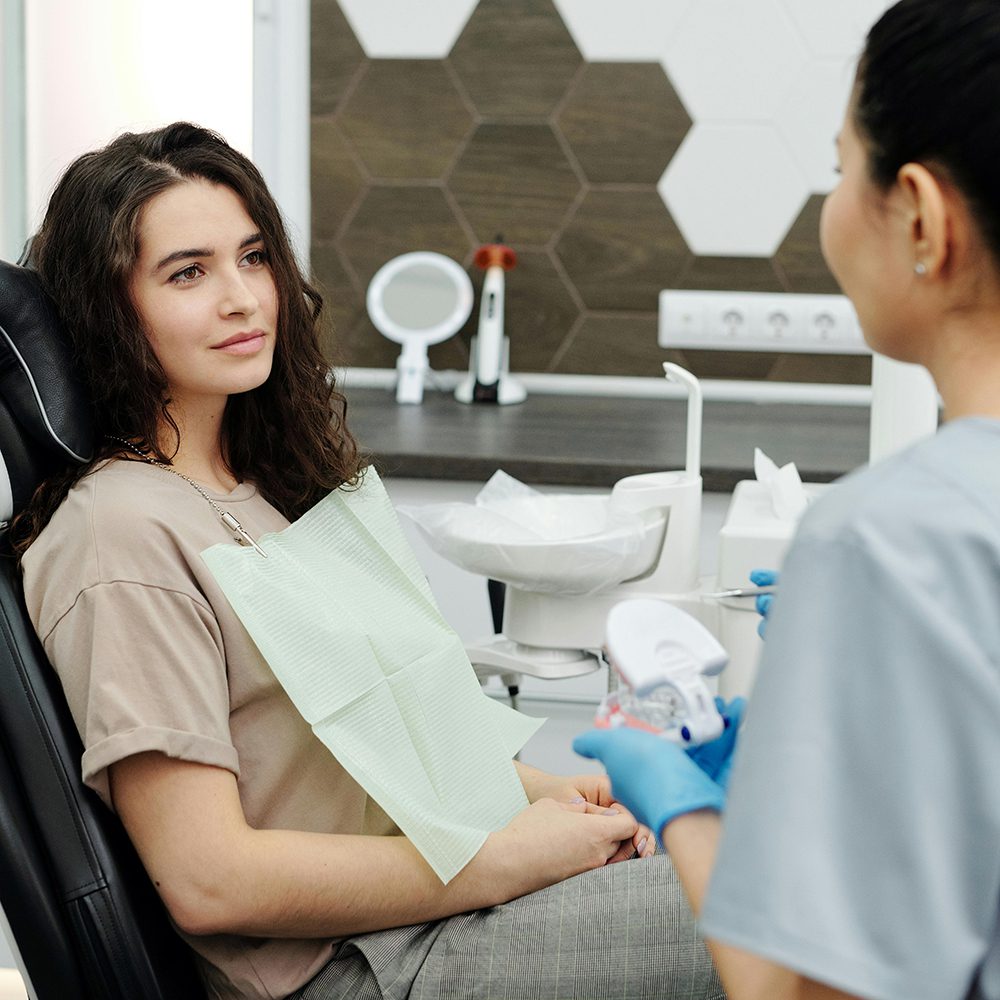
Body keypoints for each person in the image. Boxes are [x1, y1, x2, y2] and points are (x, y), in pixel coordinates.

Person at [11, 123, 723, 1000]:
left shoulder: (268, 491)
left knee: (770, 855)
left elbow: (402, 753)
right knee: (775, 910)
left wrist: (573, 796)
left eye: (254, 256)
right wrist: (504, 862)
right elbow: (207, 879)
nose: (243, 298)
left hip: (428, 913)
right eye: (187, 272)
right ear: (107, 309)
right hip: (352, 968)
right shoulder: (119, 532)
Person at [575, 1, 1000, 998]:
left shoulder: (891, 540)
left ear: (924, 219)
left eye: (840, 166)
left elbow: (801, 992)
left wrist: (685, 808)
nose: (831, 207)